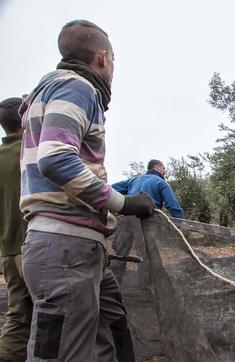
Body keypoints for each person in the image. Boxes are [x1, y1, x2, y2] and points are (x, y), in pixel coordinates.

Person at [19, 20, 155, 361]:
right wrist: (120, 203)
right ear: (102, 58)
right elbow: (56, 159)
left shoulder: (52, 93)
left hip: (80, 248)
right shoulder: (76, 88)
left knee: (108, 329)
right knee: (63, 352)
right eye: (114, 59)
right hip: (65, 248)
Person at [0, 97, 32, 361]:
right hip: (37, 247)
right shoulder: (32, 153)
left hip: (8, 251)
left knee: (18, 317)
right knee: (55, 315)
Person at [112, 159, 185, 219]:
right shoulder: (161, 182)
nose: (165, 171)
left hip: (128, 219)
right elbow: (172, 205)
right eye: (163, 168)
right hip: (150, 220)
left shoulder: (134, 180)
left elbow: (111, 188)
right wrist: (181, 222)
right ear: (158, 168)